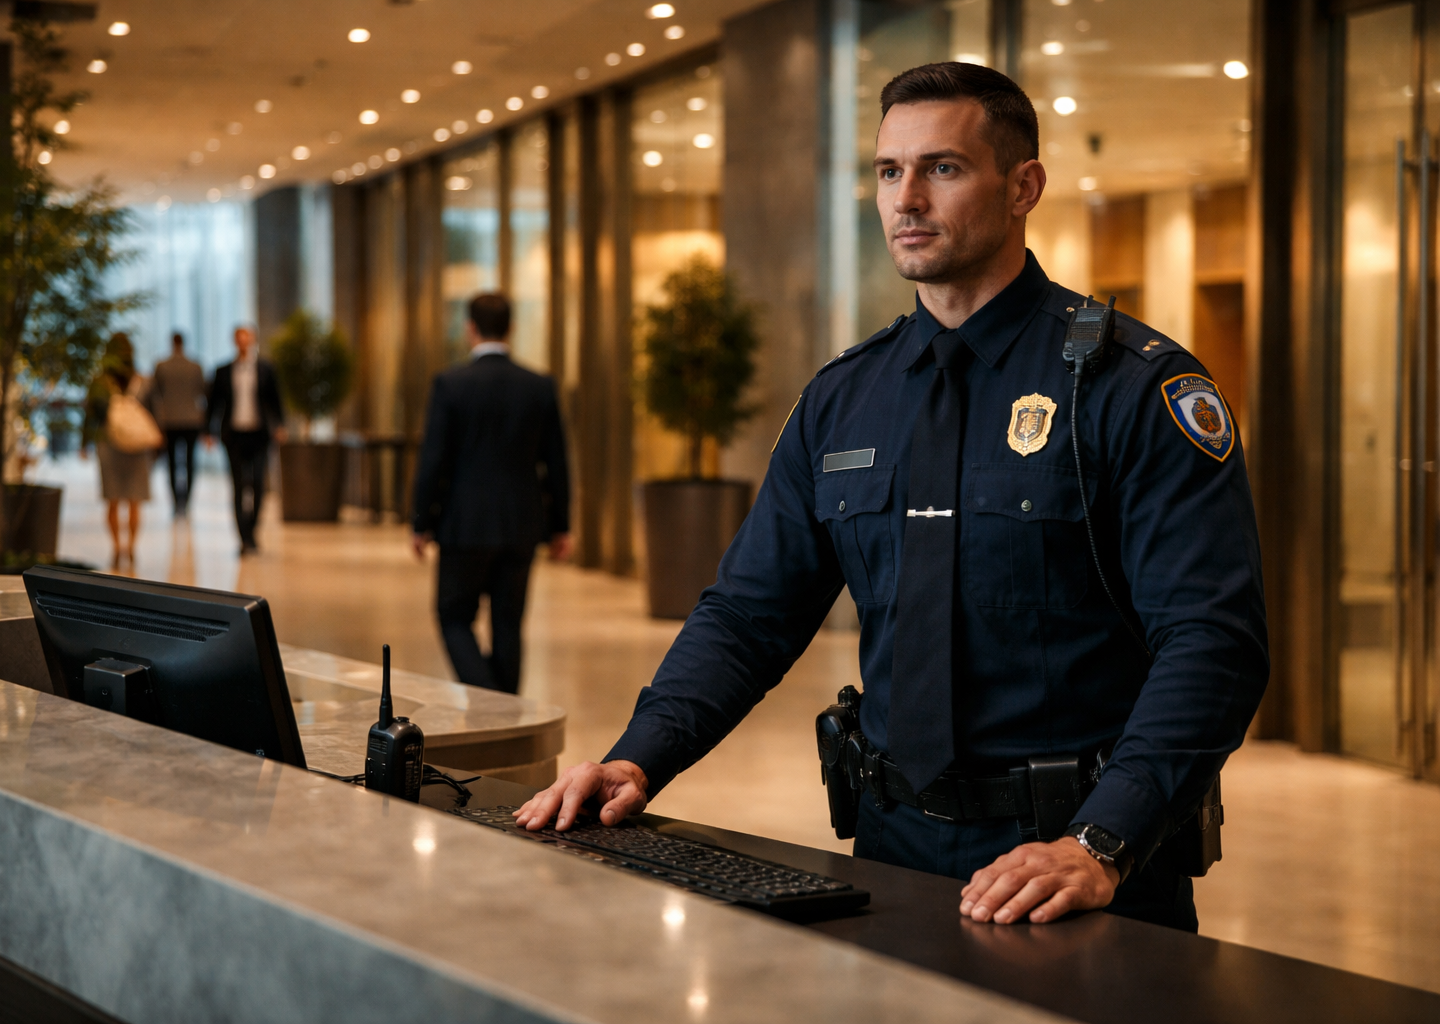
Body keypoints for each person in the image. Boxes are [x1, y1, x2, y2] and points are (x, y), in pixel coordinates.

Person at [515, 63, 1268, 933]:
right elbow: (751, 613)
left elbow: (1214, 642)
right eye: (887, 171)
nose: (906, 198)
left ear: (1024, 187)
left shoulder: (1128, 389)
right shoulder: (845, 398)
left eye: (941, 168)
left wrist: (1102, 842)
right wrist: (638, 758)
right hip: (889, 856)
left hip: (1079, 876)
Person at [411, 293, 571, 695]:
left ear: (470, 328)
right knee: (508, 623)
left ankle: (488, 696)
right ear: (511, 328)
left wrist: (421, 521)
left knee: (452, 615)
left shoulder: (450, 384)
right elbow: (557, 461)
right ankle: (506, 707)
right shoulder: (539, 386)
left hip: (463, 523)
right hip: (521, 521)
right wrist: (561, 526)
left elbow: (434, 459)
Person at [206, 325, 284, 554]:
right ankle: (243, 538)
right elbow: (214, 404)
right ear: (234, 341)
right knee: (239, 486)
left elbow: (275, 400)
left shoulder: (266, 369)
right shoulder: (222, 371)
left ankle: (253, 530)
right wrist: (208, 432)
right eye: (239, 338)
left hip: (259, 435)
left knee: (258, 484)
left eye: (247, 338)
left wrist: (279, 425)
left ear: (253, 341)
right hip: (234, 435)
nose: (243, 342)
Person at [82, 333, 151, 567]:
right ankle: (131, 546)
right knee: (134, 499)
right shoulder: (141, 380)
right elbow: (151, 412)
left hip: (108, 442)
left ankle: (116, 547)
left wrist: (84, 442)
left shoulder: (100, 382)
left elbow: (89, 414)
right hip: (136, 445)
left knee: (112, 499)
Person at [149, 331, 207, 516]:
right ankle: (187, 499)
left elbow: (155, 393)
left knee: (172, 463)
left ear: (171, 343)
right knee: (190, 461)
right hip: (191, 419)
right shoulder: (195, 366)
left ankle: (176, 500)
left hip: (169, 420)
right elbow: (202, 391)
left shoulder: (162, 366)